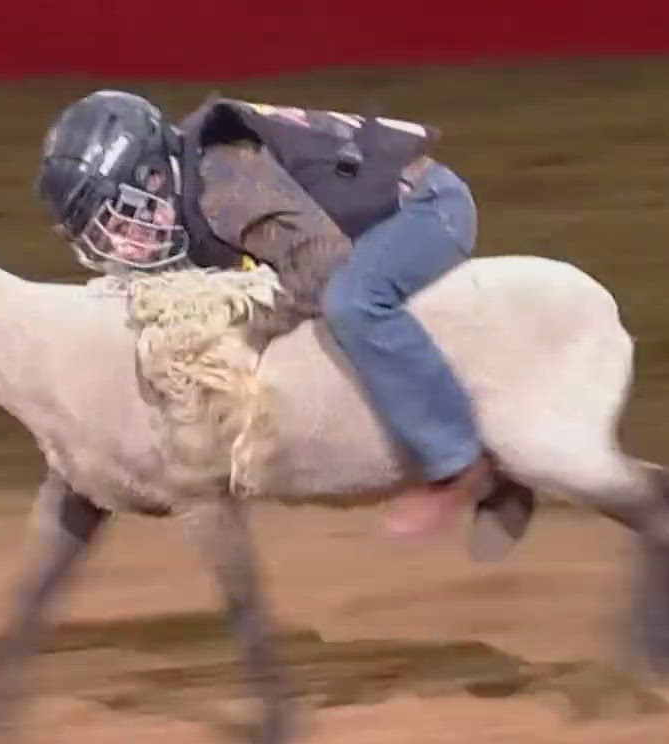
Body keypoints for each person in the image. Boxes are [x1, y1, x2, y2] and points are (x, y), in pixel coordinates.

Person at [35, 89, 490, 537]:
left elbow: (322, 268)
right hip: (369, 225)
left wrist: (240, 315)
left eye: (120, 222)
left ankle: (455, 463)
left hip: (426, 208)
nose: (121, 247)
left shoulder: (227, 185)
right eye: (104, 236)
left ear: (153, 177)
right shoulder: (187, 189)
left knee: (352, 303)